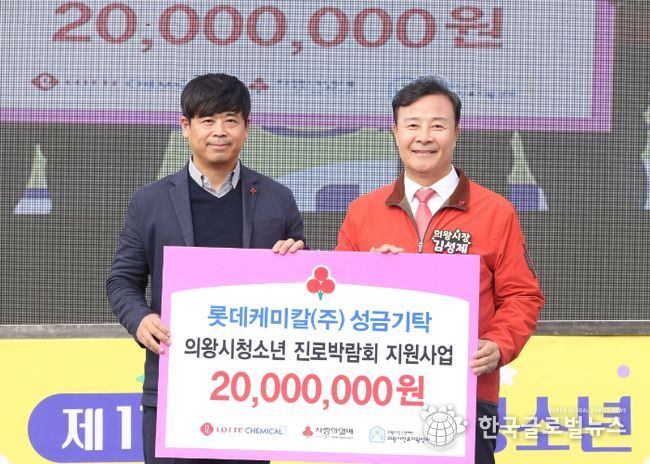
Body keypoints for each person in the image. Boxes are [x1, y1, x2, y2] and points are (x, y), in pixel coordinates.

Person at [336, 76, 544, 463]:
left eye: (437, 125)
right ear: (395, 132)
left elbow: (522, 294)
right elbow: (338, 301)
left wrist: (498, 344)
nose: (424, 137)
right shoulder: (362, 212)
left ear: (456, 132)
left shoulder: (496, 211)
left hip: (468, 394)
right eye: (412, 125)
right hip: (379, 395)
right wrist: (367, 275)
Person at [106, 73, 305, 464]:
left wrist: (299, 262)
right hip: (174, 384)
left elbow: (302, 290)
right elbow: (122, 280)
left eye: (231, 120)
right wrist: (141, 319)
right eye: (208, 120)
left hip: (253, 392)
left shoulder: (277, 199)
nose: (219, 131)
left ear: (247, 127)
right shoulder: (150, 201)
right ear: (186, 126)